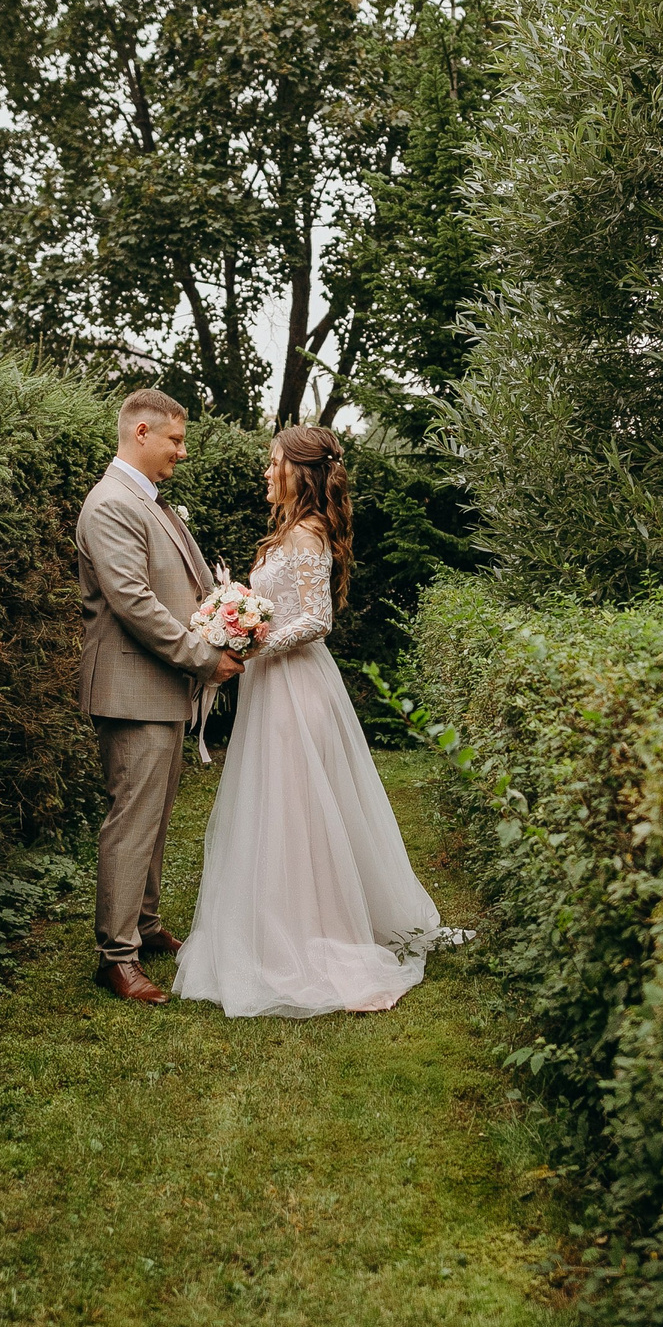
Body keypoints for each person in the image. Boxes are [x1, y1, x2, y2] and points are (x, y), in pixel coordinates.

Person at [174, 425, 463, 1018]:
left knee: (297, 800)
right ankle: (280, 916)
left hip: (295, 683)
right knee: (280, 799)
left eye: (272, 462)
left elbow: (316, 620)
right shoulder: (289, 532)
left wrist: (255, 644)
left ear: (298, 472)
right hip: (275, 683)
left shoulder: (308, 534)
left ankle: (315, 930)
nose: (265, 471)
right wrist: (235, 607)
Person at [72, 388, 241, 1005]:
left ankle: (143, 927)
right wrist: (205, 656)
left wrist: (225, 618)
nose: (182, 451)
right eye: (174, 439)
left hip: (159, 688)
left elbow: (183, 587)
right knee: (131, 822)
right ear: (140, 433)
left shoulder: (152, 502)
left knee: (155, 819)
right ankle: (115, 959)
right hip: (131, 689)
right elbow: (135, 603)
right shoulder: (111, 504)